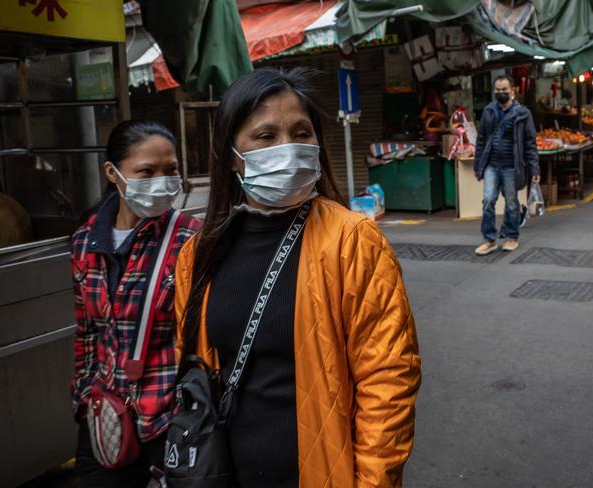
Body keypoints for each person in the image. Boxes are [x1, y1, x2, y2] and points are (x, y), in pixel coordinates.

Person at [173, 68, 421, 488]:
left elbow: (388, 381)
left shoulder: (353, 241)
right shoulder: (197, 255)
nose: (287, 148)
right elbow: (194, 367)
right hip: (223, 473)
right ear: (232, 153)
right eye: (266, 136)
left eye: (301, 132)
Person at [71, 120, 200, 487]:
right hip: (107, 419)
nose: (162, 180)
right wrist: (83, 398)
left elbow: (205, 334)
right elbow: (87, 332)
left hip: (171, 421)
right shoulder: (85, 242)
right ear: (113, 172)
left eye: (170, 170)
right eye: (147, 171)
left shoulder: (191, 239)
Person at [474, 74, 540, 255]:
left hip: (512, 165)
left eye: (504, 90)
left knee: (511, 202)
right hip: (491, 164)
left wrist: (534, 168)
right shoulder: (488, 111)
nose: (501, 93)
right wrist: (478, 165)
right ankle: (489, 240)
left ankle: (512, 237)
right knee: (488, 200)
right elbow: (481, 140)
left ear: (513, 91)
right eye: (497, 90)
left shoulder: (523, 113)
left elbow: (529, 143)